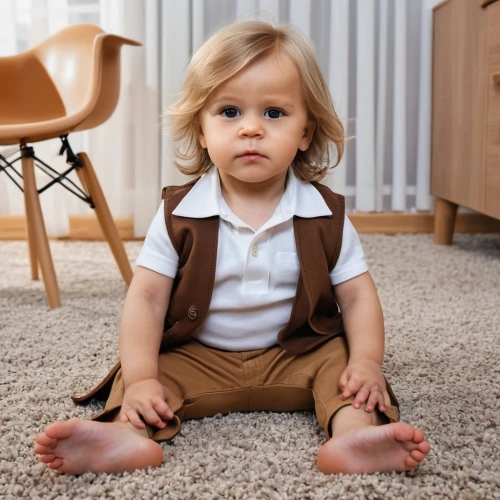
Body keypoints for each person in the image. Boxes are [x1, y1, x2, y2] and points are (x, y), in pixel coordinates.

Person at [34, 20, 430, 475]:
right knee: (144, 372)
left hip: (299, 354)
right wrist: (143, 378)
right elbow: (145, 298)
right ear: (200, 130)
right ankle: (127, 434)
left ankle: (356, 435)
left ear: (306, 132)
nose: (251, 130)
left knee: (344, 370)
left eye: (275, 114)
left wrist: (366, 360)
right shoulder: (178, 214)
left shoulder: (325, 213)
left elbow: (358, 295)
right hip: (200, 354)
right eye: (229, 112)